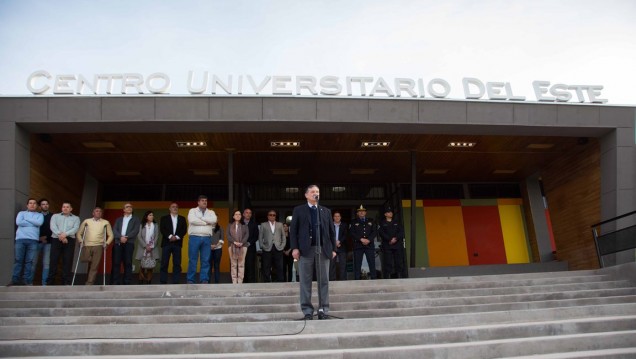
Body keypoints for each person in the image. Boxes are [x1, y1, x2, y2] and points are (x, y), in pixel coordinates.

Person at [290, 185, 336, 320]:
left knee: (324, 281)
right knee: (305, 280)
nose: (315, 194)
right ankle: (307, 311)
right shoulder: (299, 210)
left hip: (323, 249)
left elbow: (331, 231)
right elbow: (293, 231)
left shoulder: (325, 211)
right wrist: (295, 248)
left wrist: (333, 249)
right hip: (306, 249)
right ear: (306, 195)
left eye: (317, 192)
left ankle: (323, 309)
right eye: (312, 192)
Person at [9, 198, 44, 286]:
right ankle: (15, 280)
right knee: (18, 260)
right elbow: (18, 222)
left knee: (29, 262)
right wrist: (33, 223)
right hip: (20, 239)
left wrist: (27, 219)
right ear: (27, 205)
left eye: (34, 203)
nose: (32, 205)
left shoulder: (40, 215)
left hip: (33, 240)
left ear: (36, 205)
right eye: (30, 203)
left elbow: (39, 223)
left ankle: (26, 281)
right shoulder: (21, 213)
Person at [76, 206, 114, 285]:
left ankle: (89, 282)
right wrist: (80, 241)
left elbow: (111, 235)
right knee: (85, 259)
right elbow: (79, 233)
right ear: (93, 213)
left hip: (98, 245)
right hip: (87, 244)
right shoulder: (87, 221)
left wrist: (107, 243)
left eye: (100, 211)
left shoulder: (105, 222)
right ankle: (90, 263)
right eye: (96, 211)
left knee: (94, 265)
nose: (98, 212)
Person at [47, 201, 80, 285]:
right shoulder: (55, 216)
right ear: (62, 208)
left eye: (67, 207)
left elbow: (75, 228)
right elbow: (52, 226)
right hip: (56, 239)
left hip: (69, 240)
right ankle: (50, 282)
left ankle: (65, 282)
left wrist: (65, 234)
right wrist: (61, 235)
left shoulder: (76, 218)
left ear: (71, 209)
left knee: (67, 261)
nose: (65, 208)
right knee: (53, 260)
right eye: (64, 207)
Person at [187, 195, 217, 284]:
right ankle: (190, 279)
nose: (204, 202)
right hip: (194, 237)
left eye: (206, 201)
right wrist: (206, 223)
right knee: (193, 259)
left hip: (206, 238)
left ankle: (204, 279)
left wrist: (201, 219)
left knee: (206, 260)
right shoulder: (192, 210)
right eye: (202, 200)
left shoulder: (211, 212)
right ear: (198, 202)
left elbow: (214, 220)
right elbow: (192, 220)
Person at [112, 203, 141, 285]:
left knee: (128, 262)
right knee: (116, 262)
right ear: (124, 209)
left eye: (131, 207)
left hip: (129, 243)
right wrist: (120, 237)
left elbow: (135, 230)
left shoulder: (135, 219)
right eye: (127, 207)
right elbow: (114, 230)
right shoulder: (119, 219)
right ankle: (115, 282)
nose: (129, 208)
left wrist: (126, 237)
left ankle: (127, 282)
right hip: (118, 242)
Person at [159, 202, 187, 284]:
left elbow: (184, 230)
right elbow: (162, 229)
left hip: (177, 244)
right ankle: (163, 281)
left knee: (177, 263)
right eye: (173, 207)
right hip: (166, 243)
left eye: (176, 207)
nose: (175, 208)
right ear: (169, 209)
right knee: (164, 263)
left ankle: (176, 281)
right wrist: (170, 236)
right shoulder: (164, 218)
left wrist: (176, 237)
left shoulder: (182, 218)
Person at [350, 204, 377, 280]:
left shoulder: (371, 221)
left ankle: (374, 278)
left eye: (363, 211)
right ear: (357, 213)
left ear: (365, 213)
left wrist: (368, 240)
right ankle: (357, 279)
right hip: (358, 245)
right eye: (360, 211)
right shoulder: (353, 222)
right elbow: (352, 232)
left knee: (371, 262)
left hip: (369, 245)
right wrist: (361, 239)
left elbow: (374, 231)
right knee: (358, 263)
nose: (361, 213)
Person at [378, 206, 406, 279]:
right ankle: (388, 277)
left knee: (399, 261)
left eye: (391, 212)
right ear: (385, 214)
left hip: (397, 245)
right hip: (387, 245)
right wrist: (390, 239)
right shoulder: (382, 223)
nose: (390, 213)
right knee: (388, 262)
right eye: (388, 212)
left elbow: (401, 232)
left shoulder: (397, 222)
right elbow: (381, 233)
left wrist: (395, 238)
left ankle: (399, 276)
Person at [258, 210, 286, 282]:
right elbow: (260, 237)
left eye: (274, 215)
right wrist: (262, 246)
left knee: (279, 266)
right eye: (270, 215)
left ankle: (279, 281)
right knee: (266, 266)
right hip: (267, 248)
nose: (272, 216)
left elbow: (283, 236)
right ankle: (267, 282)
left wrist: (282, 246)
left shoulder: (280, 224)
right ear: (268, 216)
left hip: (278, 248)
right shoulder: (263, 224)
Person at [136, 211, 160, 284]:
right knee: (142, 265)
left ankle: (149, 281)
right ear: (146, 217)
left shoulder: (155, 225)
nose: (152, 216)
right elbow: (139, 236)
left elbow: (157, 236)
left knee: (150, 266)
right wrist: (145, 246)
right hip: (143, 248)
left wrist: (151, 246)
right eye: (150, 215)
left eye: (152, 215)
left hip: (153, 248)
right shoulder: (141, 225)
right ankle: (140, 281)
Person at [33, 198, 53, 285]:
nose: (45, 205)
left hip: (48, 242)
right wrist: (39, 238)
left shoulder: (53, 216)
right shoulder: (36, 215)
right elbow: (33, 228)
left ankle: (44, 284)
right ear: (40, 206)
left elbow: (54, 229)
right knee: (33, 262)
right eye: (43, 204)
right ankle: (29, 283)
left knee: (46, 264)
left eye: (46, 204)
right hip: (37, 241)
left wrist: (46, 237)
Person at [227, 210, 249, 284]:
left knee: (241, 264)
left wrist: (241, 242)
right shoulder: (230, 225)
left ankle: (240, 281)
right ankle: (234, 281)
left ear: (241, 216)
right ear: (233, 216)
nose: (238, 215)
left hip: (243, 246)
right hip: (232, 246)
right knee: (233, 264)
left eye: (239, 214)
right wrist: (234, 242)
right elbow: (228, 235)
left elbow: (247, 235)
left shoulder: (244, 225)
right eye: (236, 214)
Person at [242, 208, 259, 283]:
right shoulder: (239, 223)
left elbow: (256, 236)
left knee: (250, 266)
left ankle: (251, 283)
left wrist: (248, 243)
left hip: (250, 248)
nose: (248, 214)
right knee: (242, 266)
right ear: (243, 214)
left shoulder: (254, 224)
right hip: (240, 248)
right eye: (246, 212)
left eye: (250, 213)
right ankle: (242, 282)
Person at [330, 211, 349, 281]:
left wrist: (339, 241)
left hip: (342, 246)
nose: (337, 217)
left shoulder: (344, 225)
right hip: (332, 247)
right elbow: (328, 235)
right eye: (335, 216)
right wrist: (334, 242)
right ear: (333, 217)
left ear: (340, 217)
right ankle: (332, 280)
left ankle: (343, 280)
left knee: (342, 264)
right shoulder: (330, 225)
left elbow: (346, 235)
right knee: (332, 264)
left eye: (338, 216)